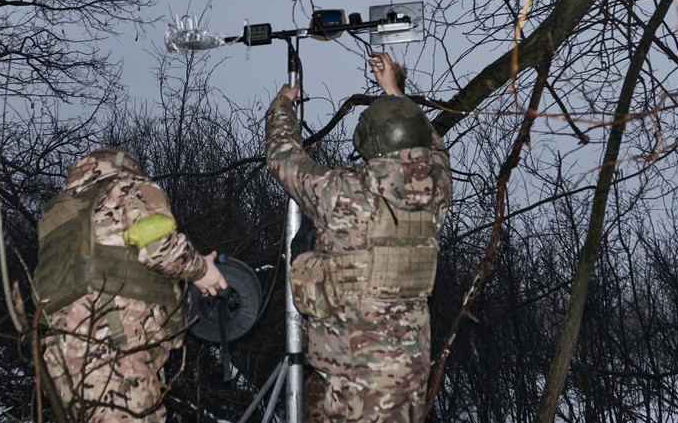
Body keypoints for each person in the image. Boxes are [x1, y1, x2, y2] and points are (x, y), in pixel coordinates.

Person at [265, 52, 452, 422]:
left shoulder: (347, 194)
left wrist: (282, 105)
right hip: (409, 375)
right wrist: (396, 93)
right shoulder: (437, 192)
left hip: (354, 379)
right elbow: (435, 150)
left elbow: (283, 158)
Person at [33, 147, 228, 423]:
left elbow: (109, 266)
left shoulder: (59, 216)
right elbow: (159, 248)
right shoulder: (128, 188)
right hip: (115, 349)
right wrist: (201, 270)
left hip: (63, 358)